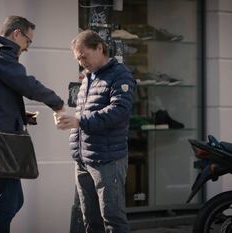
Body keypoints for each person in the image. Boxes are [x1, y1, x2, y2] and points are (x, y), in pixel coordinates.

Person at [0, 16, 64, 233]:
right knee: (6, 202)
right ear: (17, 33)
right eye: (28, 41)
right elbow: (28, 85)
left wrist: (19, 114)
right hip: (0, 143)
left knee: (12, 201)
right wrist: (57, 103)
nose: (28, 47)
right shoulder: (1, 55)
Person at [57, 30, 135, 233]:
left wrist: (79, 121)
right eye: (78, 58)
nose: (81, 61)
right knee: (90, 220)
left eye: (84, 56)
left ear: (99, 48)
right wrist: (69, 122)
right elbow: (84, 114)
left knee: (113, 219)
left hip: (107, 159)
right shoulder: (88, 78)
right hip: (83, 159)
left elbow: (118, 111)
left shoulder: (121, 74)